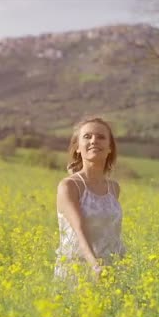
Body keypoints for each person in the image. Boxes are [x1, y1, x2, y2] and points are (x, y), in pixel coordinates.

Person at [54, 117, 126, 282]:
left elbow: (113, 233)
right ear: (78, 148)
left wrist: (121, 266)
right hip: (78, 272)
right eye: (87, 137)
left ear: (110, 148)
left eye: (101, 137)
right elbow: (80, 229)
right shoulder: (69, 186)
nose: (94, 141)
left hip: (110, 271)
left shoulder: (114, 188)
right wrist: (95, 266)